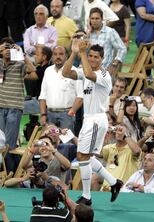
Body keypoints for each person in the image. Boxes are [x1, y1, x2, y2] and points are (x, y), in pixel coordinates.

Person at [62, 41, 123, 205]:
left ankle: (87, 196)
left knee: (82, 156)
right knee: (84, 156)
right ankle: (114, 182)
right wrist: (74, 52)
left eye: (96, 57)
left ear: (102, 59)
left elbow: (89, 75)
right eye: (90, 56)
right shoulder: (84, 70)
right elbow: (66, 72)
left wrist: (82, 53)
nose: (93, 59)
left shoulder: (104, 75)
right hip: (88, 119)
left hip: (97, 119)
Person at [0, 37, 38, 173]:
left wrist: (22, 54)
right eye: (5, 48)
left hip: (14, 107)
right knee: (1, 140)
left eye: (9, 48)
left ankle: (10, 171)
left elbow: (32, 70)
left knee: (9, 143)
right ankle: (5, 168)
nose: (7, 51)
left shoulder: (19, 63)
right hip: (1, 106)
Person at [39, 46, 83, 131]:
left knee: (67, 143)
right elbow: (42, 96)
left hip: (67, 115)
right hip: (49, 114)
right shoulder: (48, 71)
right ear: (52, 57)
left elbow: (80, 96)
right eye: (55, 54)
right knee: (51, 142)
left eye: (61, 54)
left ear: (66, 56)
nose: (58, 56)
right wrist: (43, 115)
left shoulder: (74, 71)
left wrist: (71, 113)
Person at [99, 124, 142, 190]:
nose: (119, 132)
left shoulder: (131, 149)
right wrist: (102, 132)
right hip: (105, 190)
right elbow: (96, 152)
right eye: (117, 130)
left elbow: (137, 151)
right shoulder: (109, 148)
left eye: (121, 130)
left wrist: (125, 136)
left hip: (122, 191)